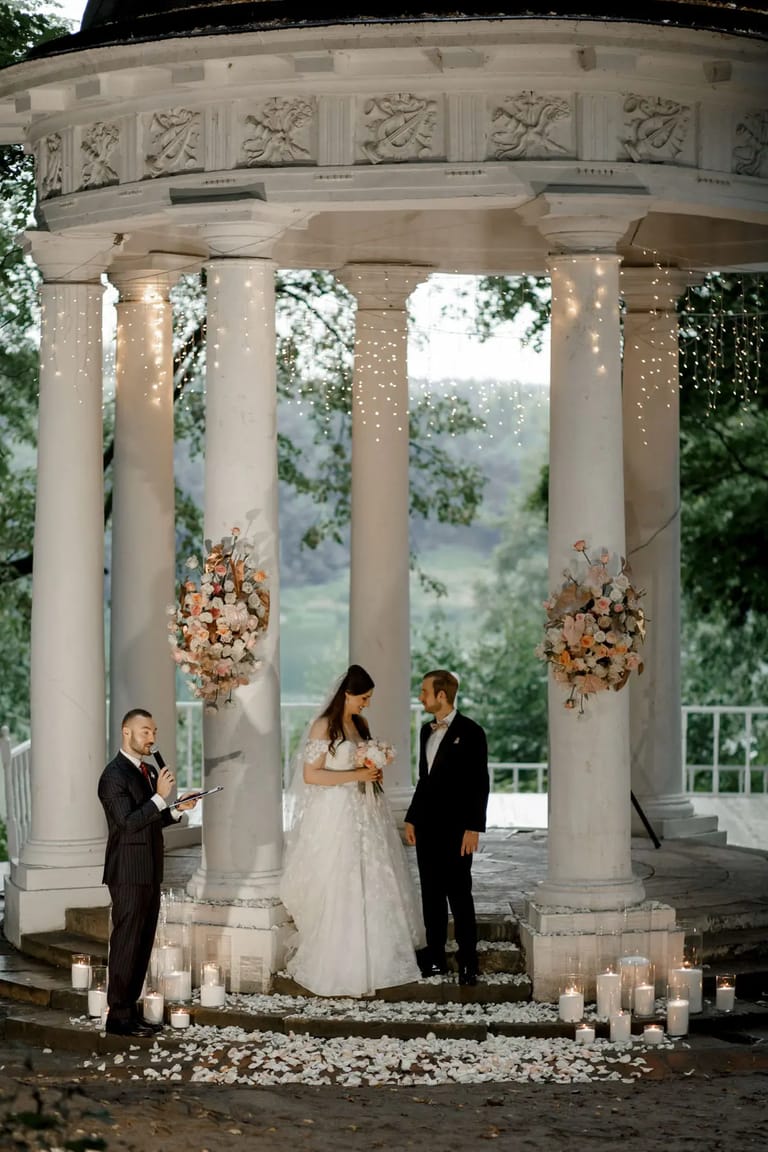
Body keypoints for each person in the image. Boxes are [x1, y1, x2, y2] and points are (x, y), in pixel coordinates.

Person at [280, 664, 424, 997]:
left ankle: (379, 958)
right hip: (336, 813)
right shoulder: (323, 726)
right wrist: (356, 775)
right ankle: (340, 960)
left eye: (369, 698)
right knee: (341, 878)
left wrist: (372, 769)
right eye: (363, 698)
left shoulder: (361, 724)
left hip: (366, 811)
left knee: (372, 877)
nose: (366, 703)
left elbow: (360, 763)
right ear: (347, 694)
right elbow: (312, 775)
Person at [98, 708, 198, 1036]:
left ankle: (131, 1012)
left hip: (151, 869)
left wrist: (176, 809)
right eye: (145, 731)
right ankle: (118, 1017)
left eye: (154, 731)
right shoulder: (113, 775)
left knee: (142, 943)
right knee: (127, 942)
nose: (152, 738)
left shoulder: (148, 771)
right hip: (127, 871)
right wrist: (159, 798)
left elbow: (151, 820)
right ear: (126, 732)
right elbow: (127, 823)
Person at [404, 670, 489, 986]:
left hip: (457, 829)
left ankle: (468, 961)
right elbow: (424, 779)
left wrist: (473, 827)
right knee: (431, 895)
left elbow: (480, 782)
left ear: (441, 695)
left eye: (424, 691)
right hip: (427, 826)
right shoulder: (425, 731)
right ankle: (436, 958)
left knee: (460, 894)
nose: (420, 697)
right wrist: (412, 817)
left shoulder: (472, 731)